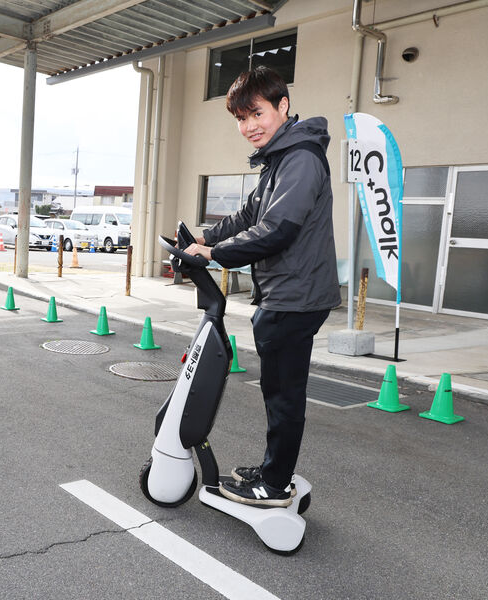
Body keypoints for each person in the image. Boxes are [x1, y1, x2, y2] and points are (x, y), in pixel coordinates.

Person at [183, 66, 340, 507]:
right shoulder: (279, 158)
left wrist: (213, 254)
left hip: (295, 296)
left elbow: (276, 230)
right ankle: (275, 471)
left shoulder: (300, 158)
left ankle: (273, 486)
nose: (249, 126)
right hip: (287, 292)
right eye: (241, 118)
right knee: (278, 393)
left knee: (283, 396)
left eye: (257, 113)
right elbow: (249, 216)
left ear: (282, 106)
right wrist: (202, 237)